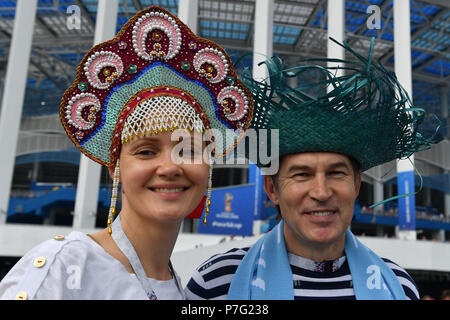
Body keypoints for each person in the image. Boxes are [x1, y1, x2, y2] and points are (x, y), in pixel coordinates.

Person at [0, 6, 253, 300]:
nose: (170, 167)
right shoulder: (65, 268)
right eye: (146, 151)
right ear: (114, 167)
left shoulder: (177, 285)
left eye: (188, 150)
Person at [186, 39, 439, 300]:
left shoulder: (397, 285)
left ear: (356, 184)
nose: (320, 192)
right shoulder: (217, 283)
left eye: (336, 173)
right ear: (272, 189)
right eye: (302, 174)